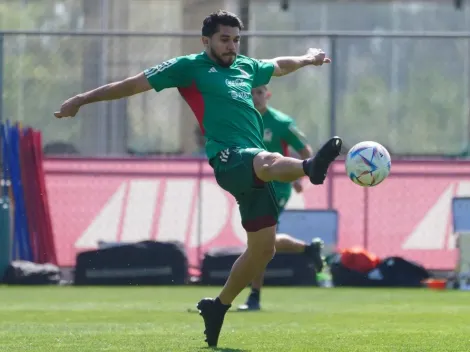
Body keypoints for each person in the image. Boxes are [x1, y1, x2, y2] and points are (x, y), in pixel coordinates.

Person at [54, 10, 342, 348]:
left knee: (263, 250)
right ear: (206, 40)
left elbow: (279, 64)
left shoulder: (246, 66)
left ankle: (217, 306)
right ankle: (310, 167)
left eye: (236, 39)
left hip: (254, 171)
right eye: (224, 39)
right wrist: (81, 99)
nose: (232, 46)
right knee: (266, 160)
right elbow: (131, 85)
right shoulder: (187, 68)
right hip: (228, 158)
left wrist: (308, 59)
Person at [237, 85, 324, 312]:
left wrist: (299, 173)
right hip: (252, 186)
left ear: (268, 94)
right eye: (252, 92)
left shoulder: (281, 122)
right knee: (263, 242)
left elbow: (305, 151)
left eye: (260, 91)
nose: (256, 96)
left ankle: (254, 296)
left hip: (277, 188)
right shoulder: (243, 119)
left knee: (258, 242)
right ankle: (308, 250)